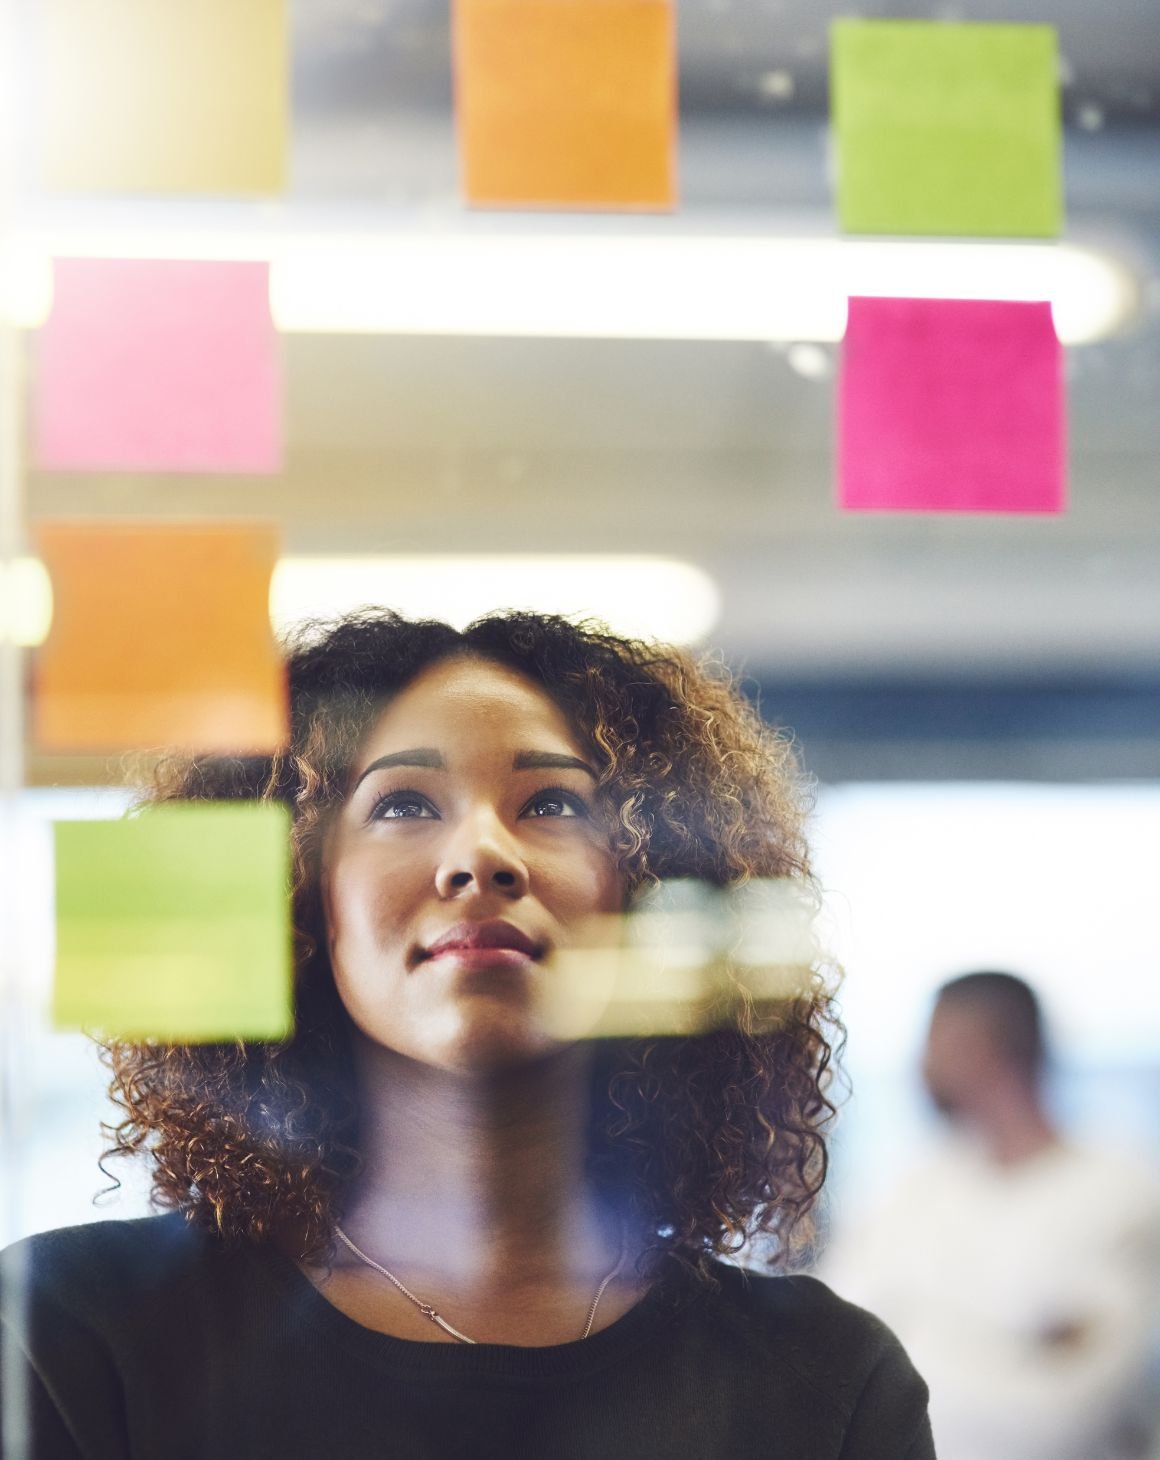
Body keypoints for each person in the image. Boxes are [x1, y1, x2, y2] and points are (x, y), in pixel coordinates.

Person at [0, 610, 934, 1459]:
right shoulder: (74, 1334)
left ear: (646, 889)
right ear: (300, 899)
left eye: (552, 805)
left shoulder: (825, 1383)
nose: (483, 854)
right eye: (403, 804)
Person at [822, 970, 1160, 1460]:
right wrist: (1016, 1348)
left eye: (938, 1041)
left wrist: (912, 1340)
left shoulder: (1122, 1196)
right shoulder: (915, 1189)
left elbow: (1067, 1413)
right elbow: (835, 1353)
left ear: (992, 1047)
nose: (924, 1064)